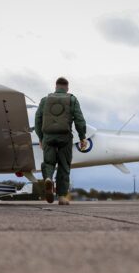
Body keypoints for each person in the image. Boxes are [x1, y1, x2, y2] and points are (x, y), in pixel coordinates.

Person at [35, 77, 87, 205]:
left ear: (56, 87)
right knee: (64, 165)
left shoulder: (45, 100)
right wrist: (82, 137)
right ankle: (62, 197)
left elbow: (38, 120)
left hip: (48, 136)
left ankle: (48, 178)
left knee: (48, 162)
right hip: (65, 137)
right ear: (67, 88)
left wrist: (41, 138)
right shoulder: (72, 99)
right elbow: (79, 120)